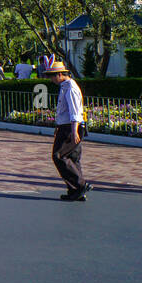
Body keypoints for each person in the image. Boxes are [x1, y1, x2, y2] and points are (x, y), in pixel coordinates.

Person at [43, 56, 91, 201]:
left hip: (70, 127)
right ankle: (75, 191)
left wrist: (74, 129)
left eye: (52, 76)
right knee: (73, 158)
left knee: (59, 156)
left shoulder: (70, 87)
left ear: (59, 74)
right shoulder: (65, 87)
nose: (51, 79)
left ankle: (80, 185)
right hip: (66, 126)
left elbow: (75, 110)